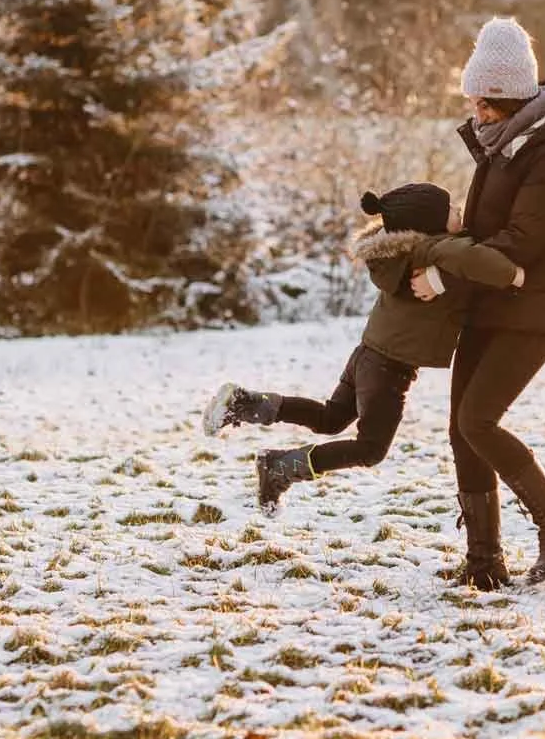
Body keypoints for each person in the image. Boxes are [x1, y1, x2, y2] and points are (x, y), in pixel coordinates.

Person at [415, 17, 545, 587]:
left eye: (483, 101)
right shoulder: (503, 143)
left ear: (509, 97)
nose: (474, 111)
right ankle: (484, 564)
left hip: (537, 306)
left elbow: (523, 241)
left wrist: (447, 276)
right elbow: (486, 230)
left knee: (479, 419)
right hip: (493, 298)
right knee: (462, 428)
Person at [206, 183, 524, 516]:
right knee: (370, 449)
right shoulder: (438, 249)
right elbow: (481, 261)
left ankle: (244, 403)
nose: (459, 210)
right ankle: (279, 467)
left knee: (330, 418)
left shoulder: (402, 252)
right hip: (389, 369)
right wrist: (514, 275)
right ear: (430, 221)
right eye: (451, 209)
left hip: (368, 354)